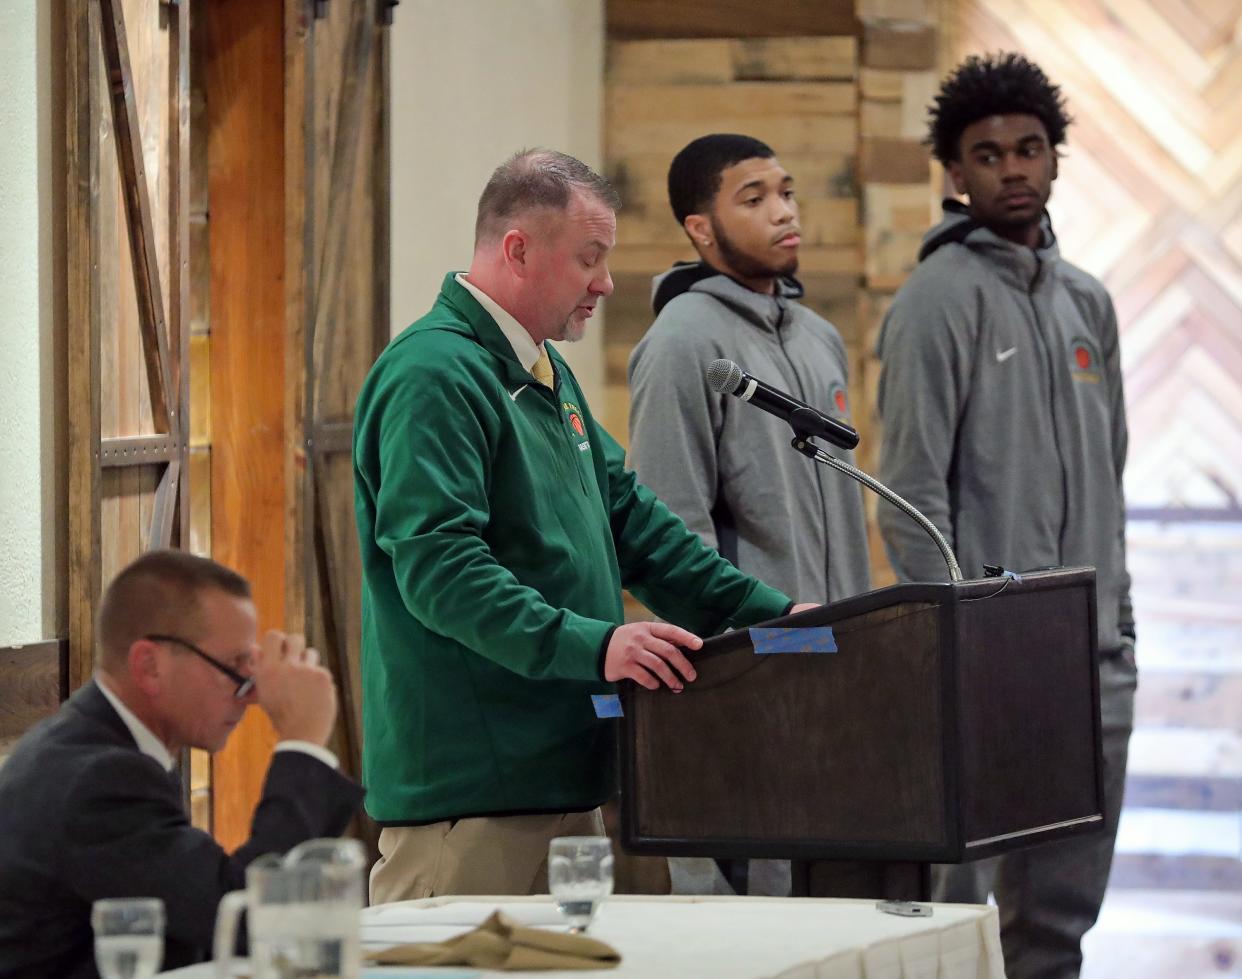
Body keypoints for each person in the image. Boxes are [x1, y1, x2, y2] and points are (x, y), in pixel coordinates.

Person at [354, 149, 810, 903]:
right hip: (470, 798)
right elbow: (441, 571)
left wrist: (778, 619)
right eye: (589, 259)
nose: (605, 282)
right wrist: (598, 644)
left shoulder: (543, 371)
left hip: (564, 775)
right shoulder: (434, 373)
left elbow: (632, 522)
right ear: (518, 250)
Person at [876, 53, 1136, 979]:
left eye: (1030, 149)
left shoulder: (1087, 303)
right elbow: (909, 496)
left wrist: (1121, 626)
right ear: (956, 175)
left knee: (1061, 920)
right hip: (988, 663)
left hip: (1093, 664)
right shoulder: (934, 304)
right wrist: (960, 641)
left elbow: (1110, 478)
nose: (1014, 168)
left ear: (1056, 159)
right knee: (957, 921)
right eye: (989, 155)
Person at [626, 134, 870, 896]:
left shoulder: (820, 337)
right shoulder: (682, 343)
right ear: (700, 228)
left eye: (787, 192)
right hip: (750, 689)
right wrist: (735, 671)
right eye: (754, 197)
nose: (785, 212)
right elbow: (671, 536)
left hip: (841, 683)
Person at [0, 549, 363, 979]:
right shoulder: (96, 779)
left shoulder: (99, 744)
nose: (250, 694)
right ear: (149, 666)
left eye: (252, 667)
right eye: (233, 667)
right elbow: (244, 921)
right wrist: (302, 742)